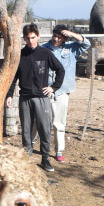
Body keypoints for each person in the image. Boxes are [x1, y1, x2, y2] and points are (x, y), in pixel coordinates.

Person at [6, 23, 65, 172]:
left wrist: (53, 87)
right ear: (24, 39)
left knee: (44, 129)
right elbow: (13, 78)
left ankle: (45, 159)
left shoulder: (45, 53)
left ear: (38, 36)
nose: (31, 40)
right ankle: (28, 161)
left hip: (41, 98)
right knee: (26, 130)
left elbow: (60, 70)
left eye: (33, 37)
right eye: (27, 38)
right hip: (25, 98)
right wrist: (9, 95)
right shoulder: (20, 55)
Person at [35, 24, 91, 163]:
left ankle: (59, 150)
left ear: (64, 38)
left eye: (59, 37)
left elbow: (86, 44)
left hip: (62, 90)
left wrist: (72, 34)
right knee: (39, 120)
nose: (55, 39)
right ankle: (31, 145)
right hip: (44, 90)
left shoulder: (71, 48)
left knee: (59, 122)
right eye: (54, 35)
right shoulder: (43, 49)